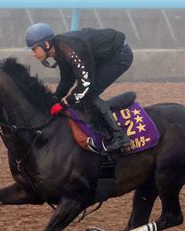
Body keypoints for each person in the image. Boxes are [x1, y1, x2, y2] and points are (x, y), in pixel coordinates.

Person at [25, 23, 133, 152]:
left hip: (119, 55)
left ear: (46, 45)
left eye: (34, 49)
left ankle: (119, 135)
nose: (33, 53)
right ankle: (103, 118)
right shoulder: (59, 51)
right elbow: (67, 80)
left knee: (89, 93)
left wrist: (64, 103)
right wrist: (54, 99)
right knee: (83, 97)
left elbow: (85, 85)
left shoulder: (71, 50)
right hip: (102, 55)